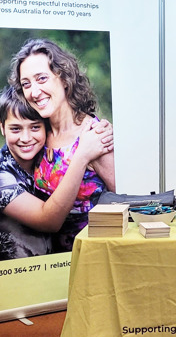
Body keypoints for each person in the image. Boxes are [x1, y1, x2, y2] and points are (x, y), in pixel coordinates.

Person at [10, 38, 115, 252]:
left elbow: (127, 201)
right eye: (26, 84)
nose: (34, 92)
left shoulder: (93, 136)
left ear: (65, 79)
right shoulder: (37, 135)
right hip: (48, 263)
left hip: (91, 256)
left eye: (42, 79)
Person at [0, 86, 113, 262]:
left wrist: (101, 131)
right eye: (15, 129)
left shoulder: (46, 155)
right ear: (2, 128)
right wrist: (82, 155)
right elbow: (49, 221)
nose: (26, 138)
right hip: (13, 274)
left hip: (56, 266)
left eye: (35, 127)